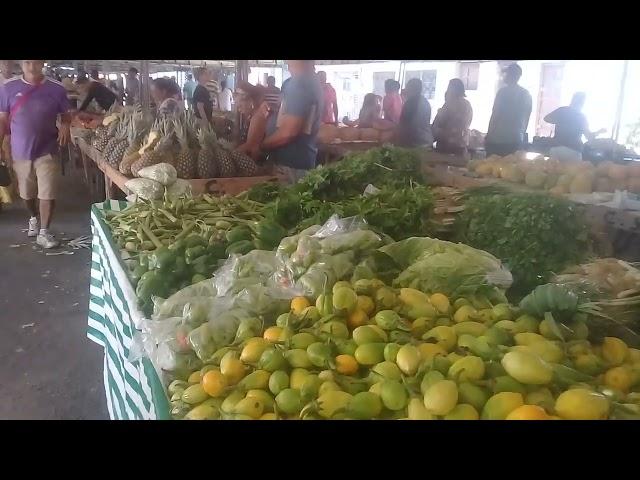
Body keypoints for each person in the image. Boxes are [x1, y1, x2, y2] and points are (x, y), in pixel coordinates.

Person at [0, 60, 71, 248]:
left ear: (43, 63)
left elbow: (66, 113)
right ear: (21, 64)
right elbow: (3, 120)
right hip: (20, 151)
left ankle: (44, 232)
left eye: (36, 61)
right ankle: (33, 216)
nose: (32, 66)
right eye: (27, 62)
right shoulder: (8, 88)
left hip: (48, 149)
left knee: (47, 192)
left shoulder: (56, 89)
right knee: (26, 195)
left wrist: (65, 125)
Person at [259, 60, 323, 183]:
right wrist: (271, 110)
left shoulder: (301, 84)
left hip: (291, 167)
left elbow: (288, 133)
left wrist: (262, 146)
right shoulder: (298, 82)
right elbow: (289, 113)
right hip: (296, 164)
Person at [485, 63, 532, 157]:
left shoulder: (502, 93)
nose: (504, 76)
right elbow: (527, 119)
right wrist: (520, 135)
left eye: (506, 73)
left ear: (510, 75)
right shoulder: (526, 94)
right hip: (516, 140)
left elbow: (495, 115)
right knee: (510, 168)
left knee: (492, 168)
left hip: (498, 140)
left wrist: (488, 135)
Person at [544, 92, 606, 161]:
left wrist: (561, 120)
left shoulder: (562, 110)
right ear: (582, 102)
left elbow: (546, 118)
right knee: (573, 171)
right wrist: (599, 132)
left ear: (572, 100)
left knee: (553, 171)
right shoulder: (581, 117)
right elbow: (588, 136)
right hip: (574, 151)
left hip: (556, 148)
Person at [432, 78, 474, 156]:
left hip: (449, 147)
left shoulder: (453, 104)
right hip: (457, 146)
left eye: (449, 88)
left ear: (454, 90)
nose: (447, 91)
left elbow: (441, 122)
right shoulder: (466, 105)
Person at [396, 78, 433, 147]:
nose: (405, 90)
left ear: (411, 89)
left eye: (407, 87)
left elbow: (404, 125)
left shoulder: (410, 103)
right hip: (426, 140)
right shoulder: (425, 101)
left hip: (416, 143)